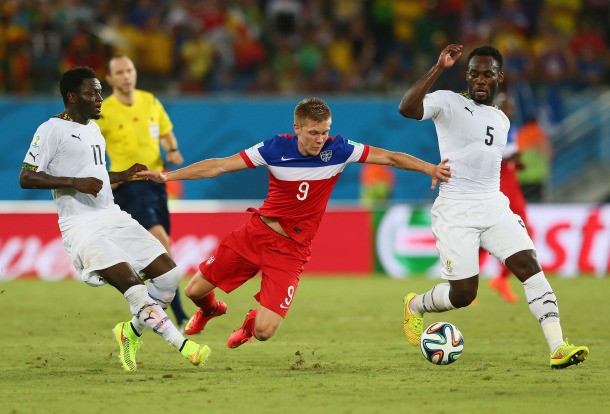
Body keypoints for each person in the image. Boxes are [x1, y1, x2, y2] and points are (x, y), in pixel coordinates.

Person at [136, 97, 451, 348]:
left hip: (291, 250)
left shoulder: (339, 150)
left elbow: (391, 157)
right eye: (313, 132)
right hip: (256, 234)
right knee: (193, 291)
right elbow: (219, 166)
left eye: (325, 131)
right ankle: (210, 310)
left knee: (264, 332)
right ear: (297, 128)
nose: (320, 139)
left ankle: (248, 325)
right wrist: (167, 176)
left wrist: (430, 169)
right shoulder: (274, 149)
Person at [397, 44, 588, 369]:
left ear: (500, 77)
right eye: (474, 73)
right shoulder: (448, 101)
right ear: (467, 76)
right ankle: (415, 305)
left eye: (487, 73)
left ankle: (558, 347)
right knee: (463, 294)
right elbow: (407, 108)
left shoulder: (500, 119)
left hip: (494, 207)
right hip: (456, 210)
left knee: (530, 267)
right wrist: (438, 68)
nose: (480, 79)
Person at [19, 67, 210, 372]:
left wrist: (122, 175)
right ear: (72, 97)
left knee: (169, 276)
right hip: (81, 226)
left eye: (99, 91)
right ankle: (184, 346)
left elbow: (94, 177)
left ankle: (130, 332)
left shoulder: (94, 129)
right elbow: (26, 177)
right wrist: (74, 182)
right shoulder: (50, 129)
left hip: (112, 216)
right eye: (91, 93)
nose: (99, 98)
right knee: (135, 290)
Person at [94, 55, 190, 330]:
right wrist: (104, 177)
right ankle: (180, 315)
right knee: (160, 240)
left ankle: (145, 307)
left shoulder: (150, 101)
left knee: (163, 246)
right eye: (119, 72)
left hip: (156, 184)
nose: (126, 76)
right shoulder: (104, 111)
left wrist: (171, 149)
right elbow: (92, 148)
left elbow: (166, 132)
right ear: (110, 79)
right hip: (129, 186)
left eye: (129, 70)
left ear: (135, 73)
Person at [485, 93, 529, 303]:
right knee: (484, 237)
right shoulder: (490, 129)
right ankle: (465, 280)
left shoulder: (513, 130)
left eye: (511, 107)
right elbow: (490, 157)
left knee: (525, 232)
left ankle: (501, 279)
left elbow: (510, 158)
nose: (509, 110)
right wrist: (510, 157)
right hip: (499, 190)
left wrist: (517, 163)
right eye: (505, 106)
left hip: (513, 189)